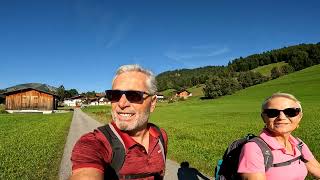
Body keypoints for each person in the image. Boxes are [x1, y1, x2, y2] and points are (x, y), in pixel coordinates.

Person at [70, 64, 168, 180]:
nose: (121, 104)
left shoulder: (161, 136)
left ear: (152, 103)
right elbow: (85, 171)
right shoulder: (95, 143)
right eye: (115, 95)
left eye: (134, 95)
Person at [238, 93, 320, 180]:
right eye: (272, 113)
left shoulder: (298, 144)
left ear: (300, 117)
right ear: (264, 118)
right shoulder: (254, 148)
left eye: (290, 112)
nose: (281, 117)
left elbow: (317, 169)